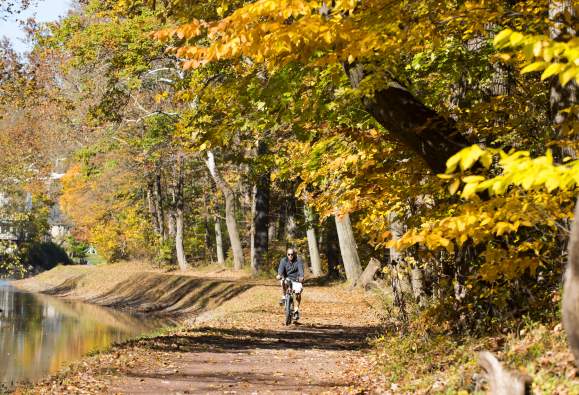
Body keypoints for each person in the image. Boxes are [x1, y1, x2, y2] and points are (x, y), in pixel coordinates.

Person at [276, 247, 304, 319]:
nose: (290, 256)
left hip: (296, 279)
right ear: (286, 254)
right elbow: (280, 270)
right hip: (287, 279)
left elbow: (301, 270)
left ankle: (296, 310)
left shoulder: (298, 260)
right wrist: (279, 275)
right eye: (289, 254)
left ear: (294, 254)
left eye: (292, 254)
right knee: (283, 281)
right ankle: (284, 296)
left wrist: (301, 276)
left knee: (298, 293)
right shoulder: (283, 260)